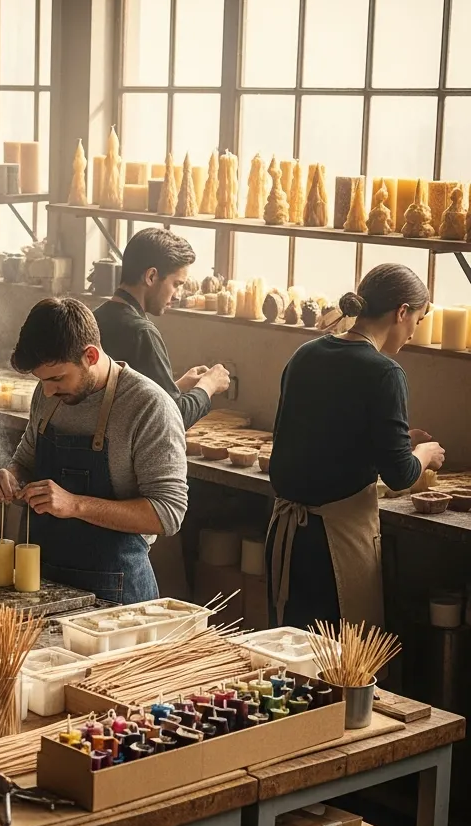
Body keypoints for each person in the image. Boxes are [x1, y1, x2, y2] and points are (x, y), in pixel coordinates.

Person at [266, 264, 445, 631]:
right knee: (338, 665)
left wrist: (395, 441)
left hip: (287, 536)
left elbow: (317, 434)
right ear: (401, 312)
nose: (413, 333)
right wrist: (423, 455)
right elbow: (399, 476)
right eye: (418, 320)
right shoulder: (384, 372)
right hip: (336, 543)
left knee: (291, 657)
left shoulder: (306, 354)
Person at [0, 298, 188, 603]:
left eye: (57, 378)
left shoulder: (149, 407)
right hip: (43, 583)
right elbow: (26, 459)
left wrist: (75, 505)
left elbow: (168, 513)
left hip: (115, 594)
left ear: (90, 355)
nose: (48, 391)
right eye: (42, 381)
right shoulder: (48, 392)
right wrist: (9, 477)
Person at [94, 228, 230, 428]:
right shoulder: (142, 333)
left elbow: (130, 400)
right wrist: (209, 385)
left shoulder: (94, 317)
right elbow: (172, 418)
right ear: (151, 276)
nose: (177, 295)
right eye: (176, 284)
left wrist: (179, 386)